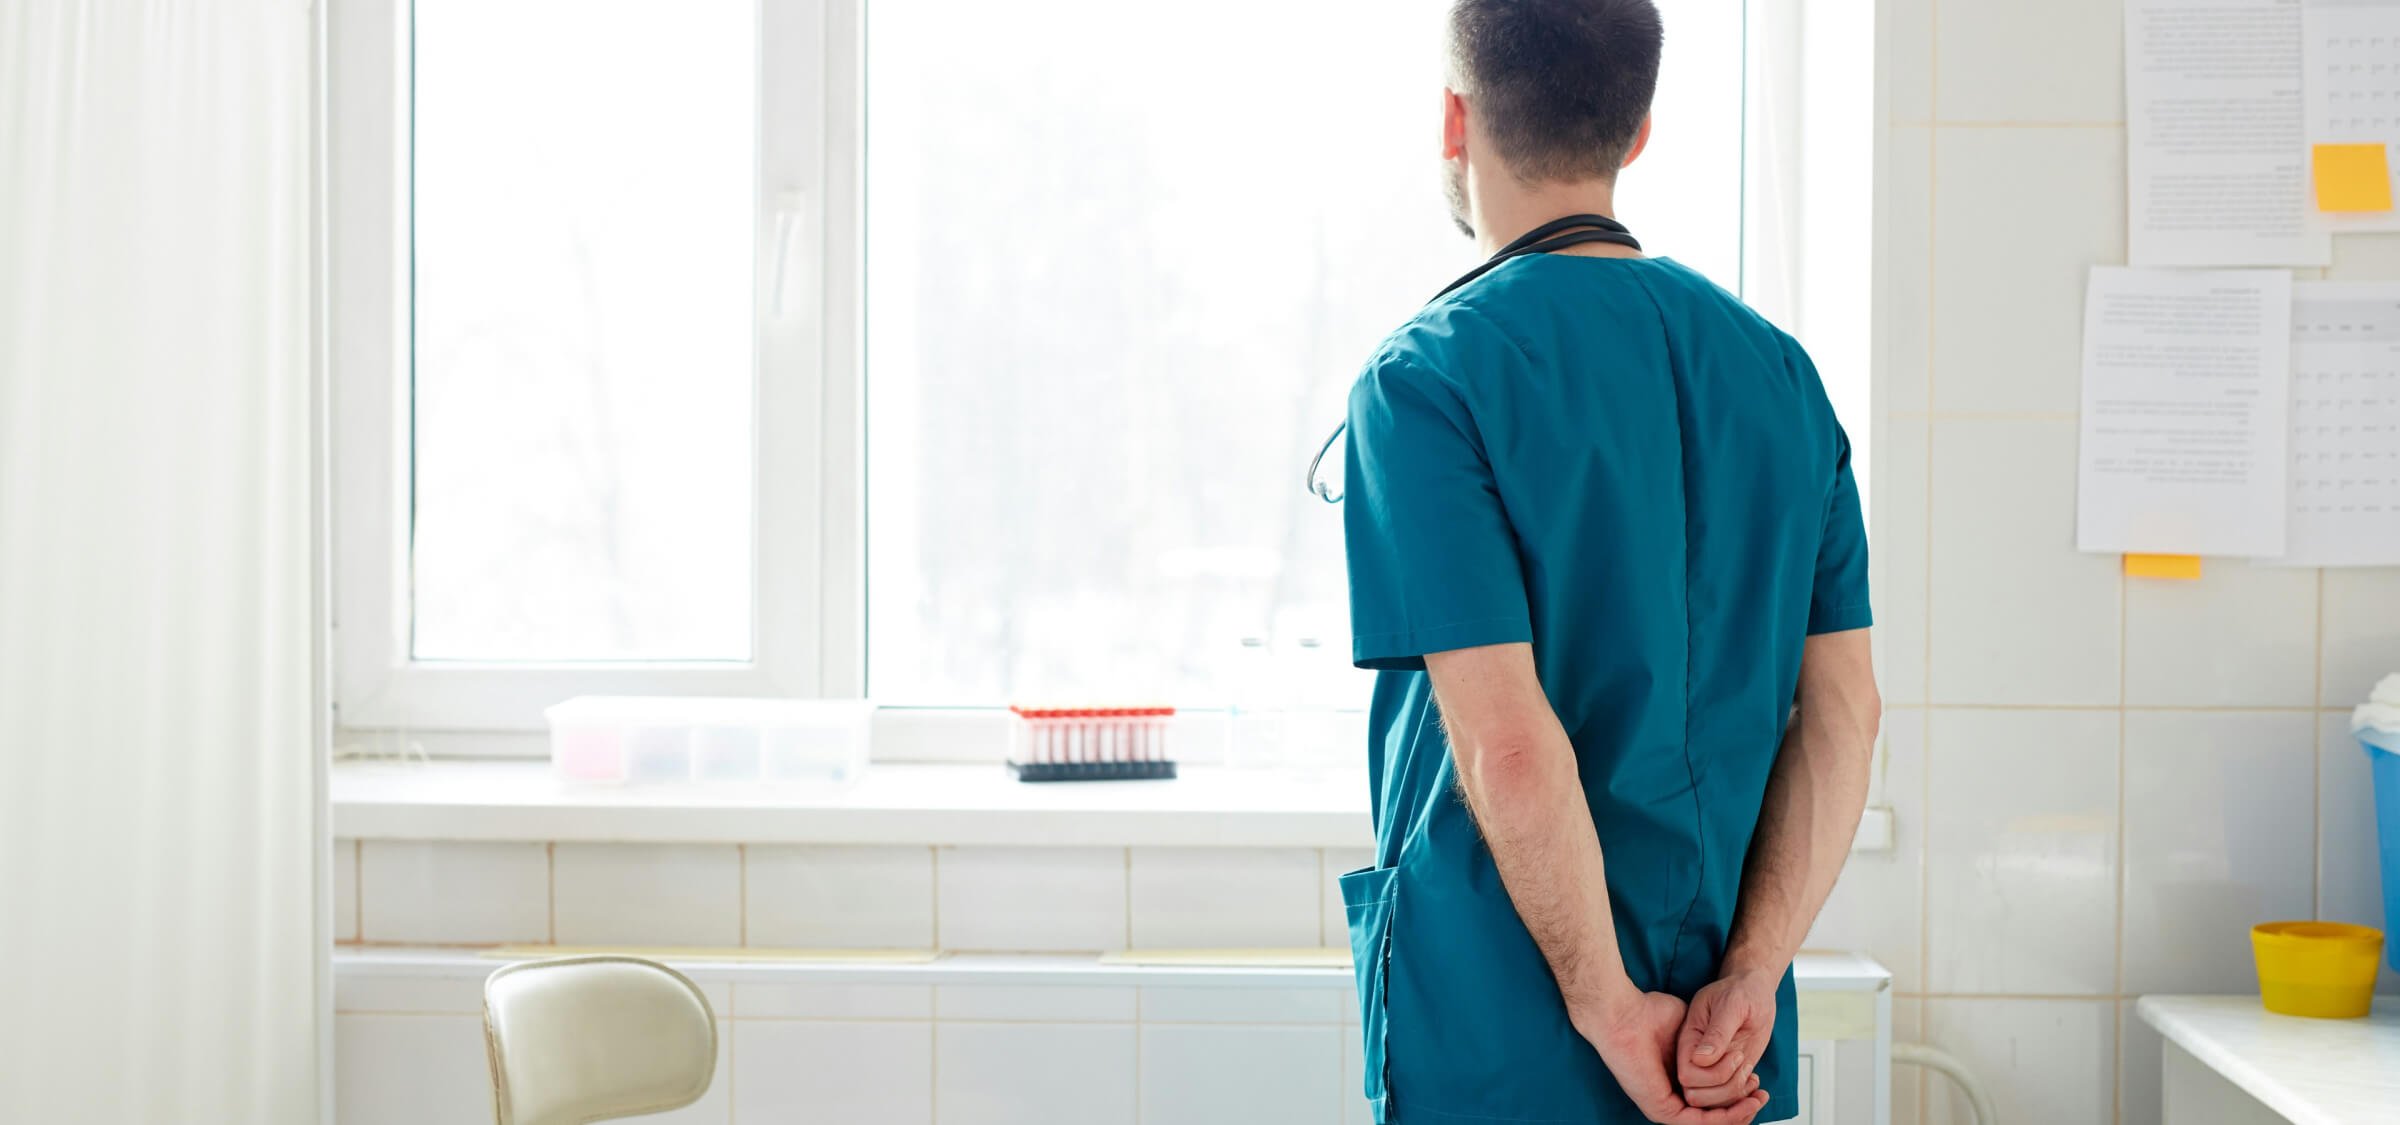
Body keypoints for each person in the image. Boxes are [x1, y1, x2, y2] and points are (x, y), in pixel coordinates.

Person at [1333, 2, 1883, 1123]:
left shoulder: (1427, 383)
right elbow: (1844, 716)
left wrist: (1605, 1006)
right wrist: (1751, 977)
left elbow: (1507, 748)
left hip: (1506, 1046)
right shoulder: (1781, 378)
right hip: (1720, 1059)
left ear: (1456, 117)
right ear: (1637, 131)